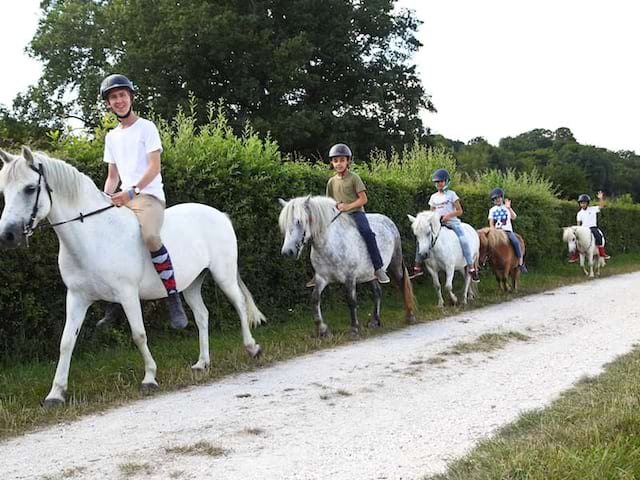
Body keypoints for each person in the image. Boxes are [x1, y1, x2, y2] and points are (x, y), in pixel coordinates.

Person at [99, 73, 188, 329]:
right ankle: (114, 301)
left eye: (122, 95)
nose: (118, 100)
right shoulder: (111, 137)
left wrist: (132, 191)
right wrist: (105, 199)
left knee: (150, 237)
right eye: (113, 97)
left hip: (148, 196)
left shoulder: (146, 127)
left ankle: (173, 297)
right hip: (125, 199)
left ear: (131, 97)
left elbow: (154, 167)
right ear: (109, 103)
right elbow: (112, 176)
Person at [307, 143, 390, 287]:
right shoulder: (331, 182)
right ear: (332, 163)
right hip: (338, 216)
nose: (339, 163)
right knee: (317, 235)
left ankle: (378, 268)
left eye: (342, 160)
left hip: (356, 214)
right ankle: (318, 272)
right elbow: (329, 203)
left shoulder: (354, 178)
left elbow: (363, 199)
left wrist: (348, 206)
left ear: (348, 161)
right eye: (336, 160)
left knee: (367, 233)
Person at [413, 169, 479, 282]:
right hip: (437, 224)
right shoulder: (433, 197)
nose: (439, 184)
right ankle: (417, 266)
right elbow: (432, 212)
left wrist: (449, 216)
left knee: (464, 240)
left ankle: (471, 266)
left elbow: (459, 211)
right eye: (437, 182)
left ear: (447, 182)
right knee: (422, 240)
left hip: (452, 222)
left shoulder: (452, 195)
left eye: (441, 181)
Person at [487, 187, 527, 272]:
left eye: (498, 198)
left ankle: (520, 263)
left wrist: (509, 208)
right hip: (497, 232)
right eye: (495, 199)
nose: (497, 200)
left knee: (516, 242)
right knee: (487, 244)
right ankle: (486, 262)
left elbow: (514, 217)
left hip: (507, 230)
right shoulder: (492, 210)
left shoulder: (506, 208)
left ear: (502, 198)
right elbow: (491, 222)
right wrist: (492, 230)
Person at [570, 191, 610, 262]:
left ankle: (602, 253)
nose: (582, 204)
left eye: (584, 203)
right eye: (581, 203)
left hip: (592, 227)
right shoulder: (579, 213)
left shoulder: (593, 209)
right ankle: (575, 255)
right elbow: (578, 223)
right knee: (574, 239)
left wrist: (600, 198)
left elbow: (601, 206)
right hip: (583, 229)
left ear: (587, 203)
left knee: (598, 236)